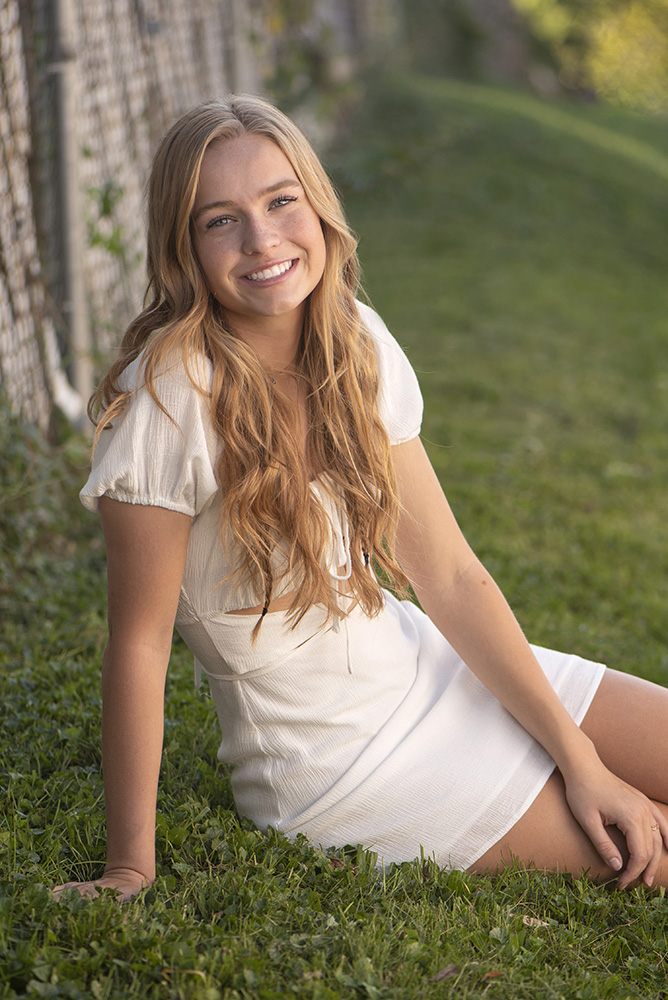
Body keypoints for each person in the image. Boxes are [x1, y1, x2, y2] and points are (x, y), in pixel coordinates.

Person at [54, 94, 668, 903]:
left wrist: (580, 759)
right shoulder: (169, 400)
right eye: (220, 221)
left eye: (281, 201)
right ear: (184, 246)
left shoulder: (354, 339)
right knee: (652, 837)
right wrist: (130, 865)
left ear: (318, 204)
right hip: (343, 763)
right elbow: (138, 647)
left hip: (429, 670)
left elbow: (448, 576)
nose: (263, 239)